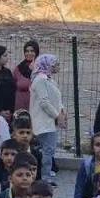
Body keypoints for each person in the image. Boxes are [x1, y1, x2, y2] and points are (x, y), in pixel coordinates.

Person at [29, 53, 66, 181]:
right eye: (55, 64)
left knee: (49, 149)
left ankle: (46, 173)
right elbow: (44, 102)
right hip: (44, 121)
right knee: (47, 149)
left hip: (51, 120)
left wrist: (62, 110)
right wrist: (57, 116)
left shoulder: (49, 79)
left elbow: (56, 98)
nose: (57, 66)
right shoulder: (40, 80)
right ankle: (44, 176)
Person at [13, 39, 39, 113]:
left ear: (36, 52)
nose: (29, 53)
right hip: (20, 108)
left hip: (36, 108)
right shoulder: (18, 69)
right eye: (27, 51)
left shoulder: (41, 68)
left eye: (32, 51)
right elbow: (11, 87)